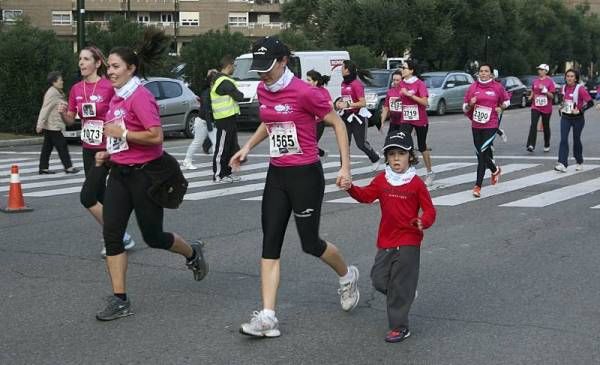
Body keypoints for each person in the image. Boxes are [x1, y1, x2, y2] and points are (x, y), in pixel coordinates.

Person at [230, 36, 359, 338]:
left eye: (269, 67)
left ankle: (346, 275)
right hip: (277, 174)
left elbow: (337, 124)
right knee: (270, 240)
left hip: (305, 175)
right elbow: (270, 120)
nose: (263, 74)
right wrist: (247, 146)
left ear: (284, 61)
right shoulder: (263, 89)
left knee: (309, 242)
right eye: (259, 68)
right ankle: (267, 316)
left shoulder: (305, 92)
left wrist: (345, 168)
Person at [95, 29, 208, 321]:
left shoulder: (140, 97)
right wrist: (110, 152)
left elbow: (155, 136)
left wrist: (124, 133)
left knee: (154, 236)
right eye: (109, 66)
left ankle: (192, 253)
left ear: (131, 69)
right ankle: (120, 299)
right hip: (120, 174)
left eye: (116, 66)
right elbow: (119, 137)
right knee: (112, 235)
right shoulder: (116, 99)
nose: (111, 71)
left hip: (146, 176)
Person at [345, 131, 435, 343]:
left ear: (410, 157)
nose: (396, 158)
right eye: (392, 154)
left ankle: (399, 327)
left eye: (401, 154)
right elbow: (366, 196)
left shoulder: (416, 183)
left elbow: (430, 210)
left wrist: (424, 221)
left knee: (401, 283)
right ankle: (405, 294)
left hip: (409, 241)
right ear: (386, 157)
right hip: (386, 240)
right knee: (378, 280)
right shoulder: (382, 181)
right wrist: (350, 188)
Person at [60, 46, 135, 257]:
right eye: (80, 60)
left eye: (86, 59)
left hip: (108, 147)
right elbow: (71, 119)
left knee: (91, 194)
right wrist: (63, 113)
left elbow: (121, 109)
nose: (81, 63)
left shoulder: (107, 86)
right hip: (88, 147)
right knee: (99, 194)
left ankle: (115, 235)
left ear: (97, 63)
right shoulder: (76, 89)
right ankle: (120, 235)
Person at [463, 63, 510, 198]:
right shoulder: (473, 87)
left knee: (482, 152)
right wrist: (470, 104)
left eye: (486, 71)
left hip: (491, 124)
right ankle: (495, 170)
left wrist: (501, 108)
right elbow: (464, 107)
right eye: (481, 71)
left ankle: (477, 187)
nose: (483, 73)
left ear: (490, 74)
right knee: (480, 154)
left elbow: (507, 101)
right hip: (476, 125)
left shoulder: (497, 87)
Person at [335, 60, 381, 171]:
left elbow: (363, 103)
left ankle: (375, 158)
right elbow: (345, 98)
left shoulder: (356, 84)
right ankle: (344, 167)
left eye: (342, 67)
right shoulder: (344, 83)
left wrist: (349, 104)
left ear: (347, 70)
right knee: (344, 143)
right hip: (346, 117)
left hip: (358, 117)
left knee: (361, 144)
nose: (341, 69)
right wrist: (338, 103)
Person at [397, 61, 435, 186]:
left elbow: (425, 103)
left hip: (420, 119)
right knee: (403, 143)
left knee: (422, 145)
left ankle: (430, 172)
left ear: (411, 70)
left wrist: (410, 95)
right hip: (406, 118)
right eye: (401, 68)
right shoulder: (401, 83)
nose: (402, 69)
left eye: (404, 68)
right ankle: (406, 172)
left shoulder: (419, 84)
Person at [36, 71, 79, 175]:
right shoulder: (52, 93)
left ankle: (43, 168)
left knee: (47, 147)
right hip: (53, 125)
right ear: (54, 82)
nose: (62, 81)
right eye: (60, 80)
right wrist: (39, 125)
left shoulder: (57, 92)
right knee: (62, 145)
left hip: (52, 125)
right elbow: (45, 109)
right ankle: (68, 167)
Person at [211, 55, 245, 183]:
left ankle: (227, 173)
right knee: (222, 148)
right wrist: (239, 93)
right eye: (234, 66)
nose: (234, 69)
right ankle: (218, 175)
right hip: (223, 119)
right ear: (229, 66)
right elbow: (239, 96)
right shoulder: (223, 81)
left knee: (229, 147)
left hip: (228, 118)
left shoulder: (221, 79)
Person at [554, 69, 593, 172]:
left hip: (578, 118)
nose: (569, 78)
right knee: (563, 139)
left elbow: (590, 103)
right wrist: (561, 106)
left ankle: (579, 161)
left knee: (576, 140)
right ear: (565, 78)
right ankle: (562, 163)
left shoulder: (580, 89)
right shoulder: (563, 88)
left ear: (575, 78)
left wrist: (580, 110)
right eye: (568, 76)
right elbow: (563, 101)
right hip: (566, 117)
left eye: (572, 76)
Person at [181, 69, 218, 170]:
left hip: (209, 122)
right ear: (212, 82)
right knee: (197, 142)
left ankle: (218, 165)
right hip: (203, 122)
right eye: (216, 81)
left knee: (216, 144)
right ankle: (187, 161)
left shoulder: (213, 92)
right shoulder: (207, 92)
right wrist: (211, 125)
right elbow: (206, 110)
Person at [526, 64, 555, 152]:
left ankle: (547, 144)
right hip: (536, 106)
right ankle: (531, 145)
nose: (540, 71)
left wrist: (545, 91)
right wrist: (531, 96)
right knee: (533, 124)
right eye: (539, 69)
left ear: (546, 71)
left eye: (542, 70)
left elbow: (552, 96)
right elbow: (533, 90)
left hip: (546, 108)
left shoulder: (550, 82)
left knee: (546, 126)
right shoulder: (535, 81)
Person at [306, 69, 333, 159]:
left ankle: (314, 162)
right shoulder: (306, 91)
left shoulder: (323, 92)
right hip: (308, 122)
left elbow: (330, 105)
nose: (307, 82)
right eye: (307, 80)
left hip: (318, 123)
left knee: (310, 144)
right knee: (306, 144)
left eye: (309, 80)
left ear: (315, 81)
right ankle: (322, 153)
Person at [380, 69, 405, 136]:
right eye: (394, 80)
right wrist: (382, 122)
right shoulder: (390, 92)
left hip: (404, 122)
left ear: (402, 80)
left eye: (398, 80)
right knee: (390, 140)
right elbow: (386, 108)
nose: (395, 82)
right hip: (393, 121)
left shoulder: (405, 91)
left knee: (403, 142)